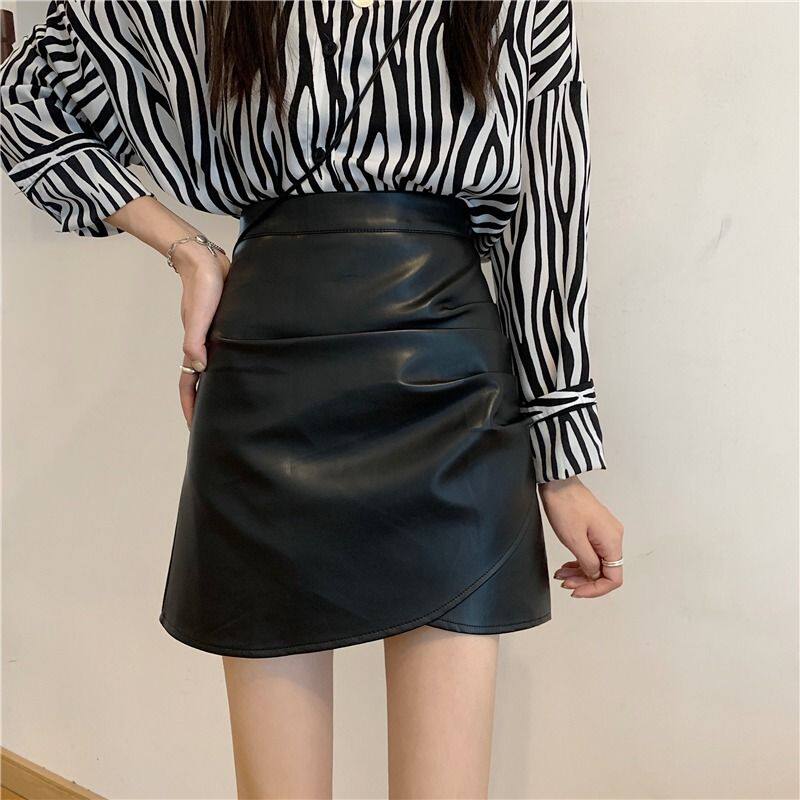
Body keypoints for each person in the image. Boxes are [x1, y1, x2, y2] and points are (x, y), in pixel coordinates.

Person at [0, 0, 624, 796]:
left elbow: (549, 219)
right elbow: (24, 102)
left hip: (454, 390)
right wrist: (188, 251)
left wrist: (561, 460)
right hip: (268, 381)